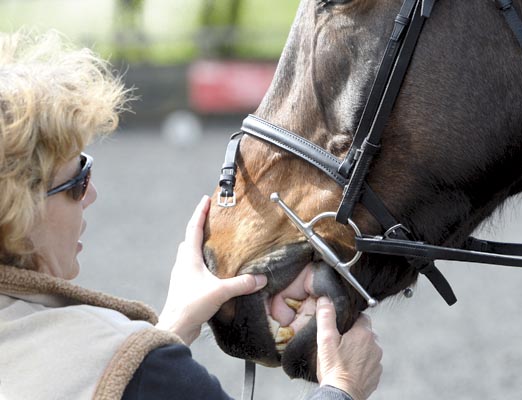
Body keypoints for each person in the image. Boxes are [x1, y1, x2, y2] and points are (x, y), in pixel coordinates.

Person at [0, 29, 382, 400]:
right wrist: (342, 385)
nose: (93, 194)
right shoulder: (133, 368)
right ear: (20, 211)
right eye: (78, 180)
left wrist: (174, 324)